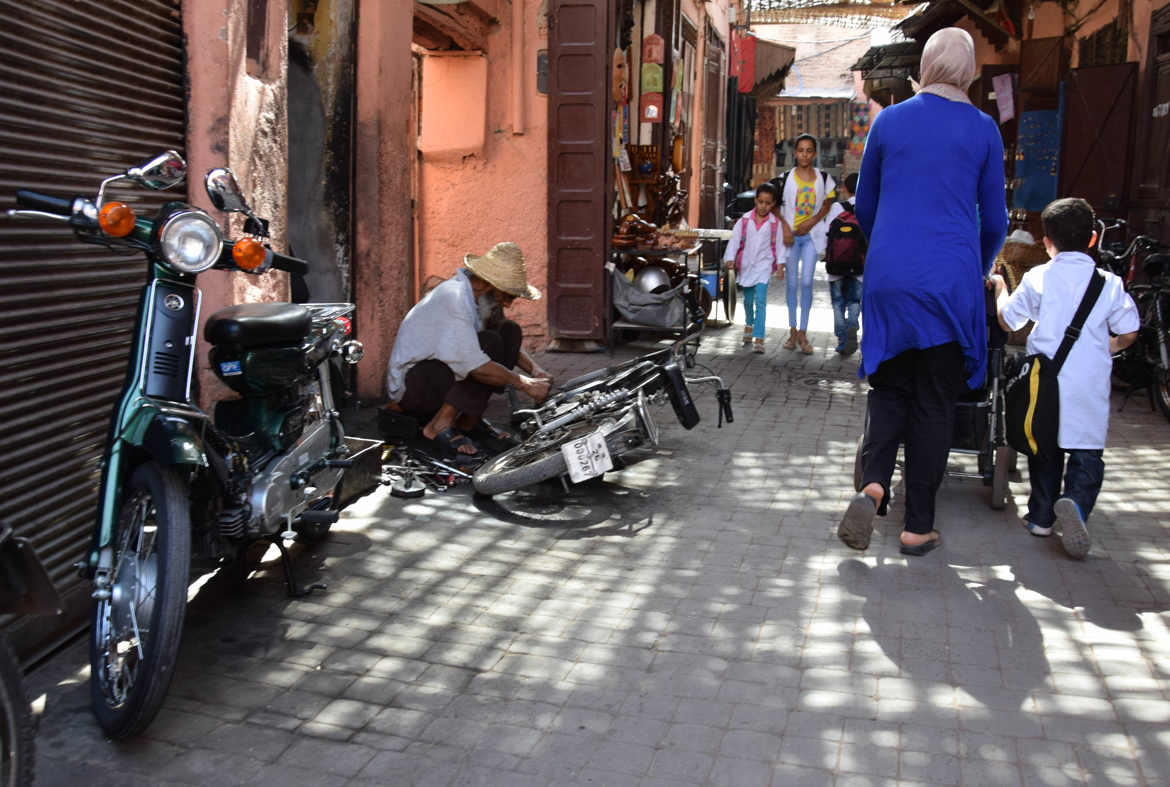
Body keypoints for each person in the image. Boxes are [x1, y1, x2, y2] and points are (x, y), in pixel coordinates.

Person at [837, 27, 1009, 556]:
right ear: (970, 69)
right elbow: (995, 221)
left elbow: (864, 205)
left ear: (927, 64)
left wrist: (890, 249)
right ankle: (918, 526)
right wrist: (975, 268)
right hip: (949, 280)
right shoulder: (984, 129)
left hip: (890, 279)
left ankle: (873, 484)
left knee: (889, 390)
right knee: (935, 403)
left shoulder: (889, 121)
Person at [991, 198, 1138, 559]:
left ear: (1046, 242)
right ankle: (1075, 503)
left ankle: (1041, 518)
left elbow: (1009, 322)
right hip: (1089, 382)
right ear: (1092, 239)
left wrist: (999, 290)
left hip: (1046, 380)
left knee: (1047, 448)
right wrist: (1107, 348)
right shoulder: (1110, 284)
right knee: (1087, 450)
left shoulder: (1039, 276)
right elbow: (1130, 331)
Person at [385, 241, 552, 458]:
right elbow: (477, 366)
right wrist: (525, 385)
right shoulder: (454, 297)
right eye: (508, 296)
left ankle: (469, 422)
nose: (509, 304)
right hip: (413, 388)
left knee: (509, 331)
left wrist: (535, 371)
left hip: (440, 377)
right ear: (487, 284)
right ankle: (438, 425)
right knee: (488, 343)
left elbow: (500, 349)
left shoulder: (478, 299)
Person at [771, 133, 836, 354]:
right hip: (790, 238)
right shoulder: (784, 178)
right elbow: (774, 205)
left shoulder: (824, 178)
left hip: (810, 237)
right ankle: (791, 330)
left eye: (809, 150)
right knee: (790, 284)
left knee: (807, 282)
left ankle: (804, 333)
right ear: (795, 152)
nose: (804, 154)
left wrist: (812, 221)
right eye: (800, 150)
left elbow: (827, 205)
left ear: (815, 153)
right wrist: (786, 228)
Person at [722, 181, 782, 353]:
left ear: (773, 204)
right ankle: (749, 323)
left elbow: (779, 245)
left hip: (764, 265)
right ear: (756, 201)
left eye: (768, 203)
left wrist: (781, 265)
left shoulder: (774, 223)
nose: (763, 206)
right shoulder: (745, 220)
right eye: (761, 201)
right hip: (747, 265)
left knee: (761, 300)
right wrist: (730, 258)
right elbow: (735, 240)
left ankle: (759, 337)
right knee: (748, 301)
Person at [824, 172, 864, 355]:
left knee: (838, 303)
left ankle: (842, 342)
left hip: (836, 267)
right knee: (854, 300)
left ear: (846, 189)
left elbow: (827, 233)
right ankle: (853, 324)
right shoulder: (868, 207)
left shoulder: (836, 208)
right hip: (859, 266)